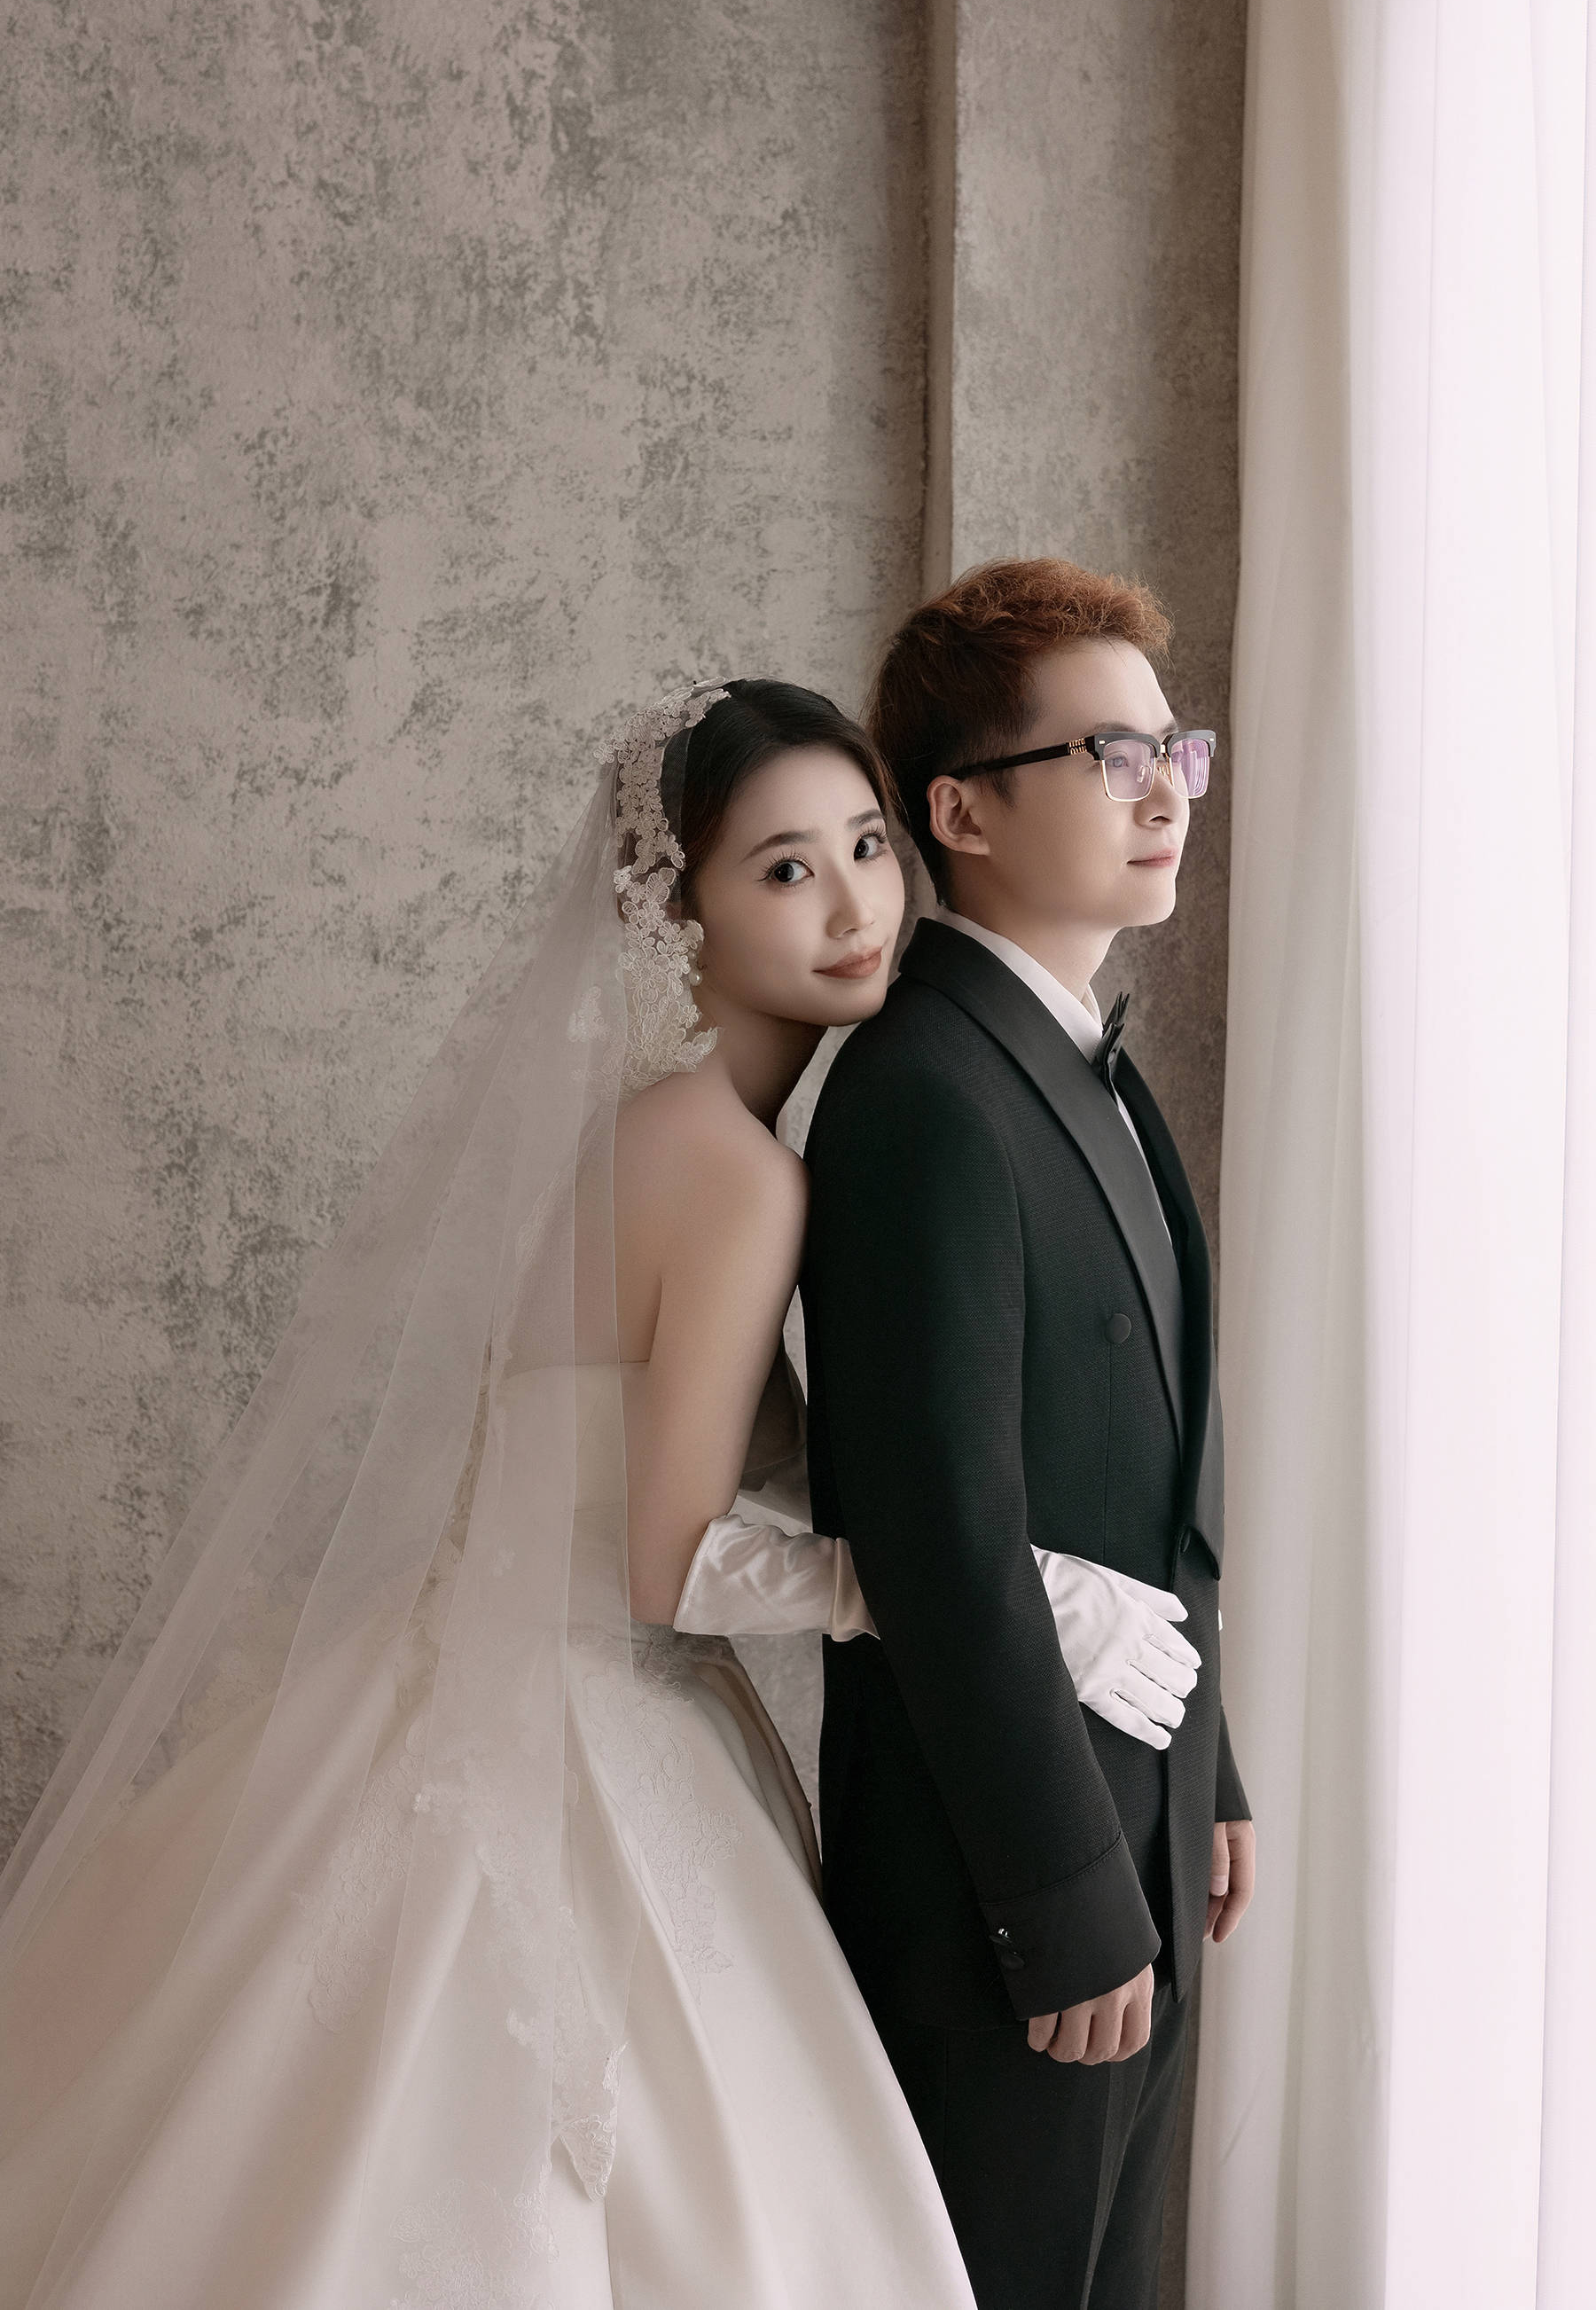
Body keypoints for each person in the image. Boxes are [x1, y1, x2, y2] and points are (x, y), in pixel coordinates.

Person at [0, 676, 1199, 2310]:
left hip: (488, 1677)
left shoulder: (678, 1128)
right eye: (784, 870)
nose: (854, 905)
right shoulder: (736, 1173)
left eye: (865, 844)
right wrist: (987, 1593)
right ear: (676, 906)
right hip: (583, 1703)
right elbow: (665, 1563)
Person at [800, 561, 1256, 2310]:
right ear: (964, 812)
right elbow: (938, 1541)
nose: (1165, 792)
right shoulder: (923, 1094)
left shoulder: (1081, 1067)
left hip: (1142, 1823)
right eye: (1110, 755)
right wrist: (1057, 1891)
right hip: (1007, 1877)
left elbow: (1146, 1486)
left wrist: (1210, 1769)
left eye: (1174, 749)